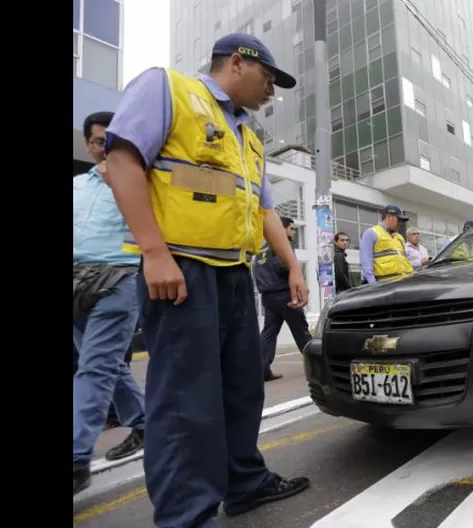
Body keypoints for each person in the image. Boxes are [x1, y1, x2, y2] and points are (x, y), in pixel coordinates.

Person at [102, 34, 310, 527]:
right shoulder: (168, 89)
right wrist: (154, 252)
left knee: (242, 389)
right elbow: (122, 161)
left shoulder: (248, 135)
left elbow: (263, 211)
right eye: (268, 79)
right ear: (237, 62)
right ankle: (187, 515)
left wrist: (295, 265)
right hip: (181, 269)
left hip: (235, 275)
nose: (271, 92)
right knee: (184, 399)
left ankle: (244, 482)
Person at [73, 111, 149, 495]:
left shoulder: (139, 182)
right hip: (75, 284)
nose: (107, 147)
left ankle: (75, 459)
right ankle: (143, 421)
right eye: (100, 141)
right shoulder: (76, 186)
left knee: (94, 367)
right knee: (104, 364)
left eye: (114, 140)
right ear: (89, 144)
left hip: (118, 278)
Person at [255, 216, 313, 382]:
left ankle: (262, 370)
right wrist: (295, 268)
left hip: (268, 297)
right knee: (301, 330)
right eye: (292, 228)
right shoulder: (282, 245)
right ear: (283, 229)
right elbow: (282, 267)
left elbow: (258, 274)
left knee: (269, 333)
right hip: (284, 295)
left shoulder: (261, 251)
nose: (294, 232)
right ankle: (317, 366)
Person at [358, 205, 413, 284]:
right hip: (385, 286)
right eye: (399, 220)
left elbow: (404, 260)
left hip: (404, 283)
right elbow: (366, 261)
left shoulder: (399, 237)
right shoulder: (371, 233)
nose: (401, 224)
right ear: (390, 217)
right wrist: (373, 285)